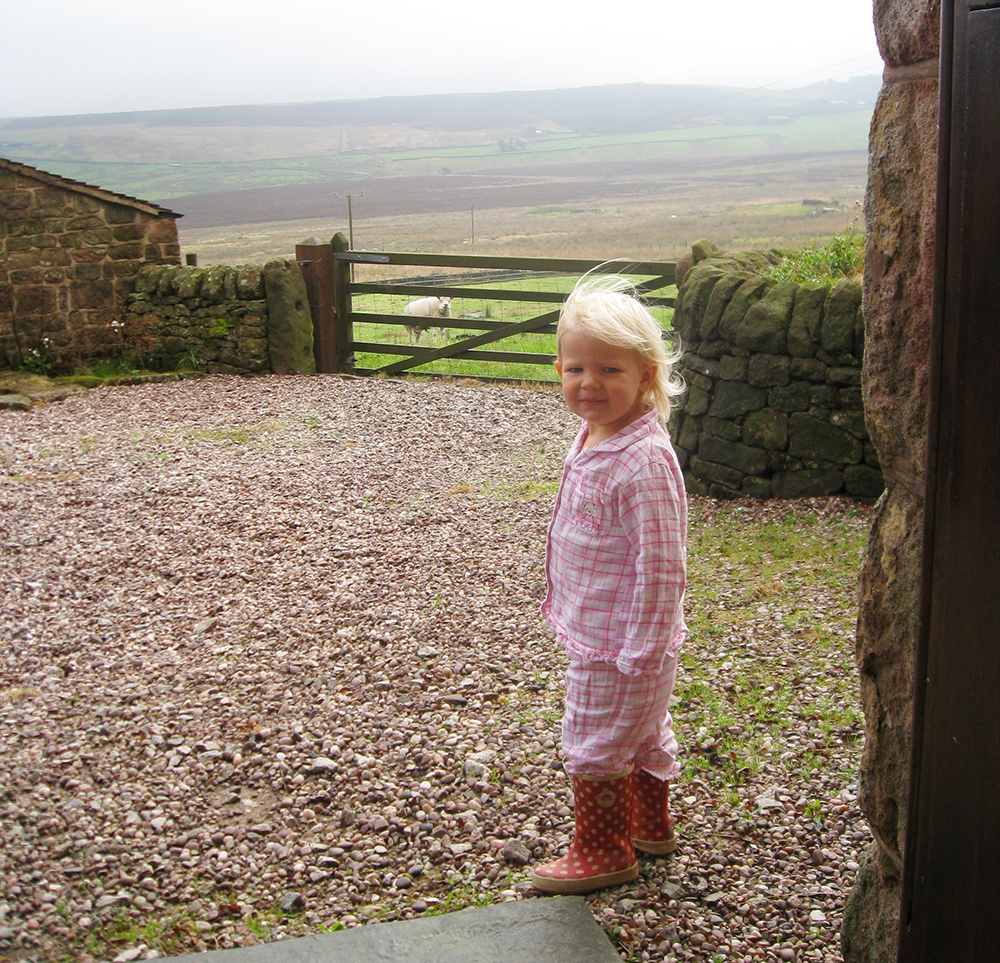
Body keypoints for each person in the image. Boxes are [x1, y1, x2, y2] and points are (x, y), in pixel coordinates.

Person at [531, 275, 688, 895]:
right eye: (575, 368)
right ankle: (650, 826)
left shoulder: (644, 460)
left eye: (609, 370)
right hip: (605, 630)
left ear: (646, 375)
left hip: (622, 644)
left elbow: (662, 564)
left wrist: (643, 649)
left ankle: (604, 849)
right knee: (643, 729)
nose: (589, 383)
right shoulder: (597, 433)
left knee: (594, 735)